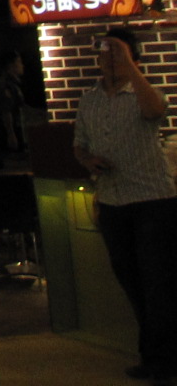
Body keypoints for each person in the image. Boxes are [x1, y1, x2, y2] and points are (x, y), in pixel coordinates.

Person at [74, 26, 177, 384]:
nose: (109, 59)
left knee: (159, 285)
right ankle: (152, 357)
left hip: (153, 201)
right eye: (105, 52)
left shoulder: (144, 92)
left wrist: (130, 66)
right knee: (133, 283)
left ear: (133, 57)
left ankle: (165, 363)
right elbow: (79, 145)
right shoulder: (89, 100)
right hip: (113, 202)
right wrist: (89, 161)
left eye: (117, 52)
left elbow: (155, 110)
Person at [0, 50, 29, 159]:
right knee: (13, 161)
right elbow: (6, 110)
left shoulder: (13, 84)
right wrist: (11, 134)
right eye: (19, 62)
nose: (22, 65)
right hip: (11, 131)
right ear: (11, 65)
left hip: (16, 129)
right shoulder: (6, 85)